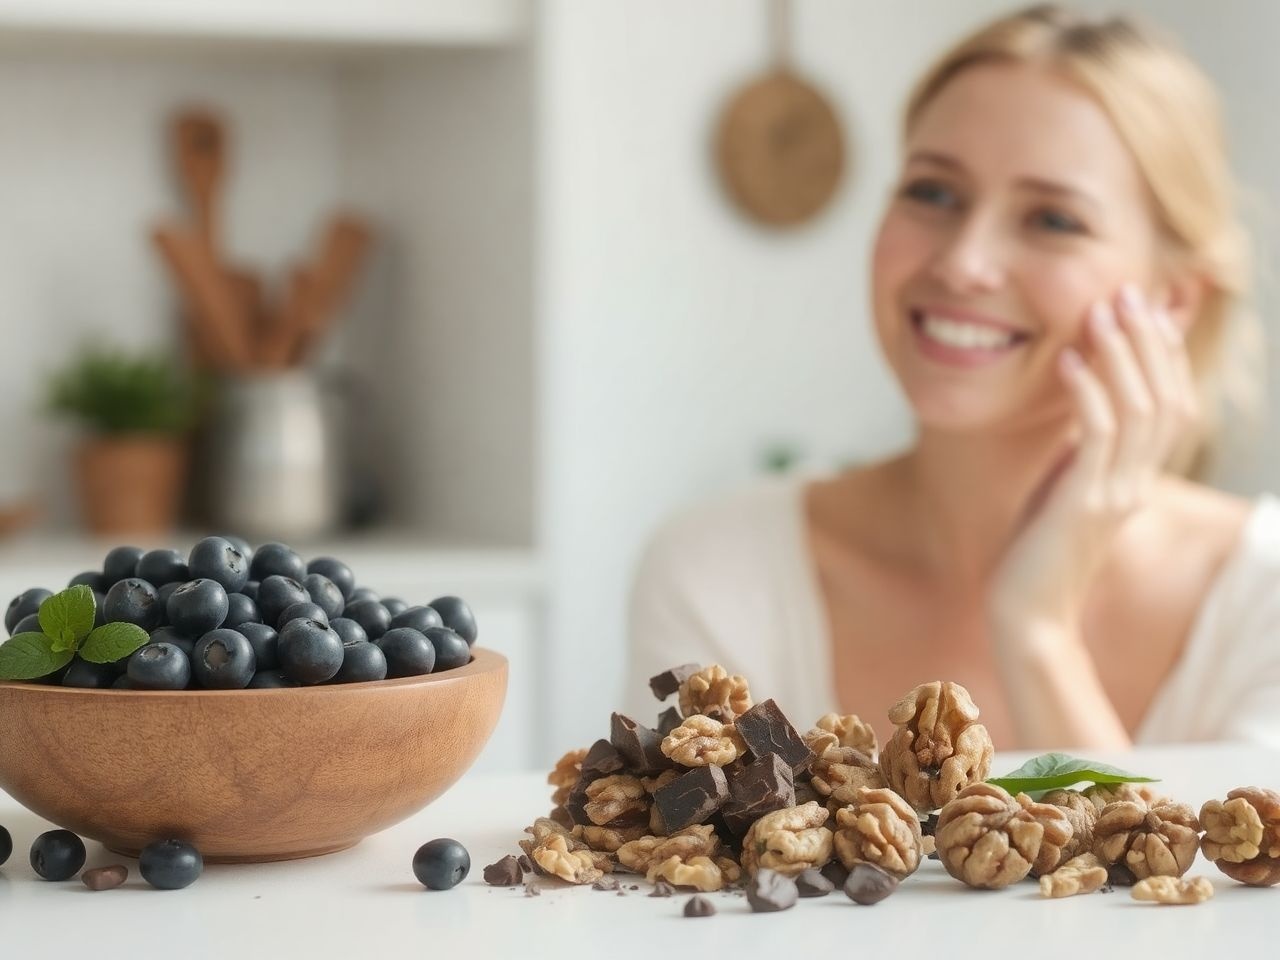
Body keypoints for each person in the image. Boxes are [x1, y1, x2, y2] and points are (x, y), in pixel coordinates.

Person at [625, 4, 1278, 752]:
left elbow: (1148, 872)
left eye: (1054, 220)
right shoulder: (721, 570)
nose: (964, 261)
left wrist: (1037, 633)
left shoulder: (1262, 600)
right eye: (934, 193)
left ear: (1173, 300)